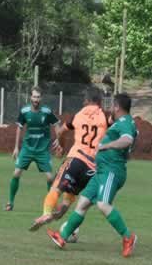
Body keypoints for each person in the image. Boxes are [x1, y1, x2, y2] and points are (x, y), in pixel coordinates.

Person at [47, 93, 138, 258]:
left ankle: (128, 237)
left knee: (103, 204)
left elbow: (127, 140)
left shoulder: (125, 122)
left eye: (112, 105)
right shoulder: (121, 122)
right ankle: (62, 236)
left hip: (111, 171)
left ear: (117, 107)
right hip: (102, 170)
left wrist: (106, 146)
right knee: (82, 203)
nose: (110, 108)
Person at [30, 88, 111, 238]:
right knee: (70, 196)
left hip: (76, 159)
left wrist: (61, 146)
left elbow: (60, 131)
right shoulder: (105, 117)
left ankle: (46, 213)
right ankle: (59, 214)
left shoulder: (78, 115)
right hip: (92, 168)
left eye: (84, 100)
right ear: (100, 101)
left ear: (87, 100)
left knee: (56, 188)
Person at [5, 87, 62, 211]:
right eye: (34, 96)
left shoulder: (47, 112)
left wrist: (59, 139)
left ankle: (53, 204)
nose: (36, 99)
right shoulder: (24, 111)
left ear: (41, 98)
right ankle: (10, 202)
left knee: (50, 178)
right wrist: (16, 148)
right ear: (30, 97)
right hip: (27, 148)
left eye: (38, 97)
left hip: (42, 150)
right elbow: (19, 128)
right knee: (16, 173)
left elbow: (57, 124)